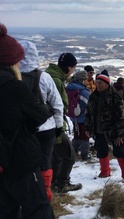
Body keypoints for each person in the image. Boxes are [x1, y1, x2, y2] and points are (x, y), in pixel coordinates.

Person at [0, 23, 54, 218]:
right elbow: (40, 113)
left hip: (2, 164)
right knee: (38, 209)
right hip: (20, 161)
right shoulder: (15, 86)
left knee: (6, 210)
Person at [19, 40, 64, 202]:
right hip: (46, 128)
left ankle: (27, 195)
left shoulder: (12, 78)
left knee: (25, 163)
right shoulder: (43, 77)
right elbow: (57, 104)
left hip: (22, 129)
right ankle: (45, 195)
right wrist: (59, 126)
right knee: (45, 162)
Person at [85, 70, 124, 181]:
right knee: (101, 150)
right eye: (97, 83)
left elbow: (122, 116)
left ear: (107, 83)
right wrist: (87, 127)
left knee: (119, 152)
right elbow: (88, 113)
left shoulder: (115, 96)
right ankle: (105, 172)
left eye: (100, 83)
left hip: (113, 131)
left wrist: (120, 134)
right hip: (98, 129)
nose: (98, 85)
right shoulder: (93, 96)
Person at [46, 52, 82, 193]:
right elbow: (56, 106)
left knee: (56, 156)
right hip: (54, 126)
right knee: (69, 156)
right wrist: (59, 127)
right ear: (68, 67)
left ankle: (53, 182)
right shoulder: (56, 81)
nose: (73, 71)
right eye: (73, 68)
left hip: (50, 126)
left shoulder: (51, 76)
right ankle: (61, 183)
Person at [66, 70, 91, 161]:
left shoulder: (69, 88)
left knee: (77, 135)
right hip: (83, 118)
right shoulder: (83, 92)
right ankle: (85, 155)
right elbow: (90, 105)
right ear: (82, 80)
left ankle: (73, 152)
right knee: (85, 137)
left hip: (73, 117)